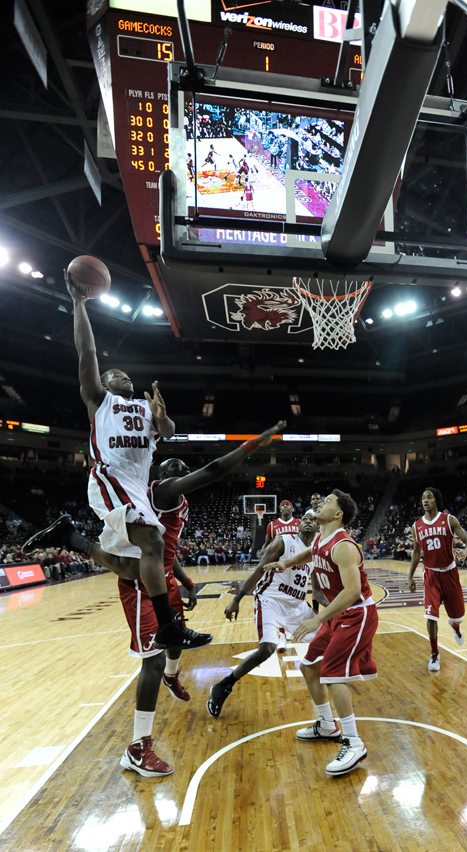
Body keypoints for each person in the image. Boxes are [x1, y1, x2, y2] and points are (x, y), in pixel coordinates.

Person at [24, 421, 285, 775]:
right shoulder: (162, 492)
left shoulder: (175, 502)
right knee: (151, 657)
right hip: (141, 585)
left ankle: (172, 675)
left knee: (177, 635)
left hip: (162, 579)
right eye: (170, 469)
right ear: (160, 477)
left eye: (180, 469)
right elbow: (213, 470)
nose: (178, 471)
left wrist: (187, 580)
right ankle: (137, 747)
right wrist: (253, 443)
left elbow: (165, 548)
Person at [31, 272, 210, 651]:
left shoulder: (146, 406)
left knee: (133, 568)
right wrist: (79, 304)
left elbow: (171, 430)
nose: (124, 377)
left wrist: (161, 417)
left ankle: (70, 536)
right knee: (153, 541)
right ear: (105, 382)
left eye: (128, 376)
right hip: (109, 478)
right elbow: (88, 354)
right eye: (118, 374)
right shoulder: (99, 400)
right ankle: (167, 627)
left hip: (136, 489)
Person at [267, 490, 377, 777]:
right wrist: (287, 563)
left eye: (328, 501)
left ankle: (354, 742)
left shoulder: (344, 545)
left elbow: (352, 591)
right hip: (337, 615)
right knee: (309, 666)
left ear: (338, 514)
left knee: (333, 673)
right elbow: (312, 552)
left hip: (356, 615)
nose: (320, 503)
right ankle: (327, 724)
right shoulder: (320, 537)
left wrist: (319, 620)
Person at [206, 513, 320, 719]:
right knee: (267, 649)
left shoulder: (315, 552)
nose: (307, 521)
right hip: (270, 600)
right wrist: (237, 599)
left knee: (327, 639)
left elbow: (317, 588)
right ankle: (223, 686)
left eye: (312, 519)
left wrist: (324, 611)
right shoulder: (283, 540)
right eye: (304, 518)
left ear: (318, 526)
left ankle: (327, 681)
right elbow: (259, 570)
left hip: (297, 606)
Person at [408, 487, 467, 672]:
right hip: (430, 575)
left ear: (436, 500)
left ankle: (455, 624)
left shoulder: (449, 519)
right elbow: (416, 552)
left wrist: (466, 552)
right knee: (430, 615)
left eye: (429, 497)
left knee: (458, 615)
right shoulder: (416, 526)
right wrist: (410, 576)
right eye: (423, 498)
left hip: (450, 573)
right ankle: (434, 652)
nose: (425, 500)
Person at [262, 499, 301, 651]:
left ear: (292, 508)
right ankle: (282, 636)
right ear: (280, 509)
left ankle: (290, 627)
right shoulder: (272, 525)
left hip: (297, 566)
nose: (285, 507)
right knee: (280, 600)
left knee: (295, 600)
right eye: (283, 505)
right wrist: (263, 551)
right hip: (279, 567)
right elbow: (267, 544)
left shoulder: (299, 523)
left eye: (288, 505)